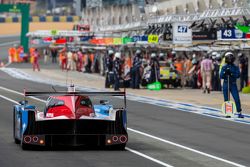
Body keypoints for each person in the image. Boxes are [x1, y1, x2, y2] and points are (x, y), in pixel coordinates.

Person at [220, 52, 244, 118]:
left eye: (231, 57)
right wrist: (225, 73)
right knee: (227, 99)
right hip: (226, 83)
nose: (230, 59)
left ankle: (239, 112)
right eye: (228, 57)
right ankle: (228, 113)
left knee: (236, 98)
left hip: (233, 84)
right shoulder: (224, 67)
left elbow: (238, 75)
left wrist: (231, 74)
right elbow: (221, 76)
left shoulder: (235, 67)